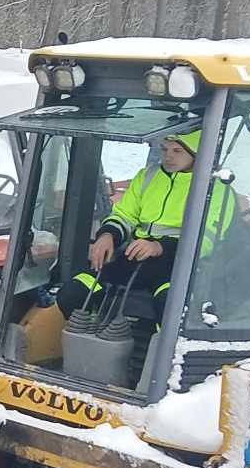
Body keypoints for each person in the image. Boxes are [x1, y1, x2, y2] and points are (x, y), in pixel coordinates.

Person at [55, 128, 234, 325]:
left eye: (177, 151)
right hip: (132, 258)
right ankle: (91, 341)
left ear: (197, 152)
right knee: (72, 294)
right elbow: (124, 214)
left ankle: (161, 354)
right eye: (165, 149)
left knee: (170, 310)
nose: (168, 157)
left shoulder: (216, 190)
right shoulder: (148, 176)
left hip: (177, 265)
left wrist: (160, 247)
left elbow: (207, 239)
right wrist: (108, 235)